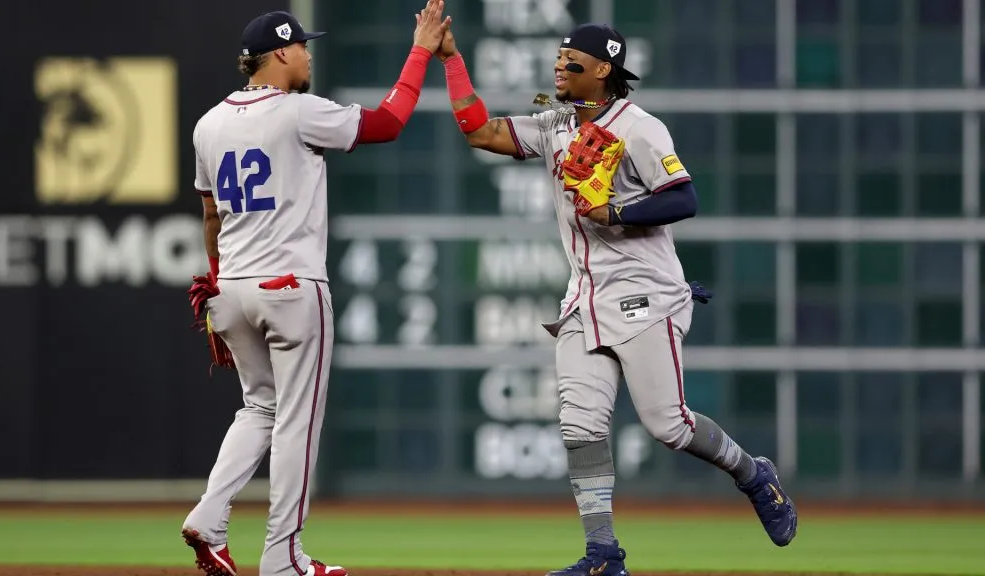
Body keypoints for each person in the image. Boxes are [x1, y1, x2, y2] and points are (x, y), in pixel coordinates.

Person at [433, 22, 797, 576]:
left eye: (571, 61)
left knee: (668, 426)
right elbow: (480, 131)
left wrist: (617, 212)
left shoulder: (640, 127)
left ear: (603, 70)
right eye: (558, 60)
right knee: (580, 425)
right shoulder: (557, 122)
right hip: (584, 297)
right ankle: (603, 556)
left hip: (646, 295)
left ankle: (753, 474)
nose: (559, 68)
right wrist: (451, 59)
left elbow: (685, 197)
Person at [181, 3, 451, 576]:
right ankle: (283, 558)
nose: (309, 54)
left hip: (231, 288)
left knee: (260, 407)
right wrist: (422, 49)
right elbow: (389, 122)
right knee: (296, 423)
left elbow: (210, 213)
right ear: (280, 53)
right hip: (290, 287)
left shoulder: (208, 123)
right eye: (303, 46)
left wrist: (216, 277)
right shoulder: (298, 111)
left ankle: (209, 516)